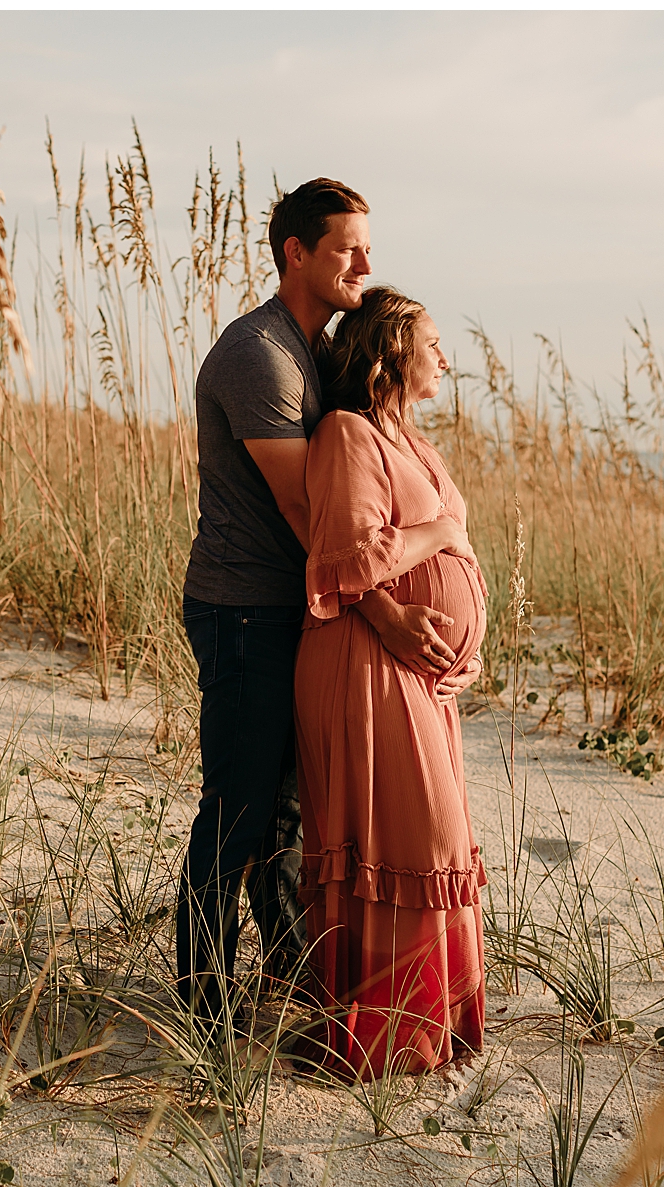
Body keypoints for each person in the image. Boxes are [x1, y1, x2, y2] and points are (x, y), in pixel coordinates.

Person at [178, 180, 477, 1028]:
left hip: (301, 617)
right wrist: (387, 613)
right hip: (246, 612)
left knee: (287, 819)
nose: (366, 263)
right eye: (348, 248)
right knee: (237, 815)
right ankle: (203, 1009)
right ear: (295, 253)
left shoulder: (315, 354)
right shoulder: (259, 355)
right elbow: (309, 514)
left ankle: (282, 986)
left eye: (367, 248)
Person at [293, 285, 488, 1077]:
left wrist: (464, 650)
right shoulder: (346, 433)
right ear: (387, 353)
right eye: (433, 342)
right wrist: (438, 534)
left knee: (431, 837)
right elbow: (342, 557)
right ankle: (385, 1032)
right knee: (413, 837)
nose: (446, 357)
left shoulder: (417, 443)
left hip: (420, 676)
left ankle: (428, 1031)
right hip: (365, 664)